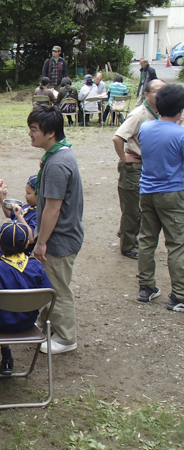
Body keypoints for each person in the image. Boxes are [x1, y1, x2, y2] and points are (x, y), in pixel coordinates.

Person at [29, 104, 84, 354]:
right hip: (61, 235)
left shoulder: (58, 164)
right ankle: (45, 323)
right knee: (50, 283)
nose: (30, 134)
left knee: (58, 289)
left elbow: (53, 209)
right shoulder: (58, 154)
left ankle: (66, 338)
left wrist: (41, 242)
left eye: (34, 129)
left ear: (50, 132)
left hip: (59, 239)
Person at [0, 221, 53, 375]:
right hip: (28, 322)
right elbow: (48, 293)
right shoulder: (36, 266)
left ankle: (5, 352)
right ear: (26, 245)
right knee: (6, 311)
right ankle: (6, 356)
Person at [136, 84, 184, 312]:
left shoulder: (145, 128)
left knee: (146, 240)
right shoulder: (181, 134)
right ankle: (179, 296)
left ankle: (146, 287)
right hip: (172, 194)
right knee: (176, 244)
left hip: (147, 192)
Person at [112, 80, 165, 260]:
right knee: (132, 210)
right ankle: (127, 246)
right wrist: (124, 157)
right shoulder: (139, 114)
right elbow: (118, 137)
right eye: (158, 91)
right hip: (134, 166)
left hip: (147, 166)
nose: (162, 94)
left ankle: (128, 236)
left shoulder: (159, 114)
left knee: (140, 207)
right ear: (146, 95)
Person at [0, 175, 37, 269]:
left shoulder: (38, 214)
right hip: (5, 243)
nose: (25, 196)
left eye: (28, 193)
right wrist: (1, 194)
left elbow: (31, 238)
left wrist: (19, 216)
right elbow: (9, 214)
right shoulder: (28, 207)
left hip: (12, 251)